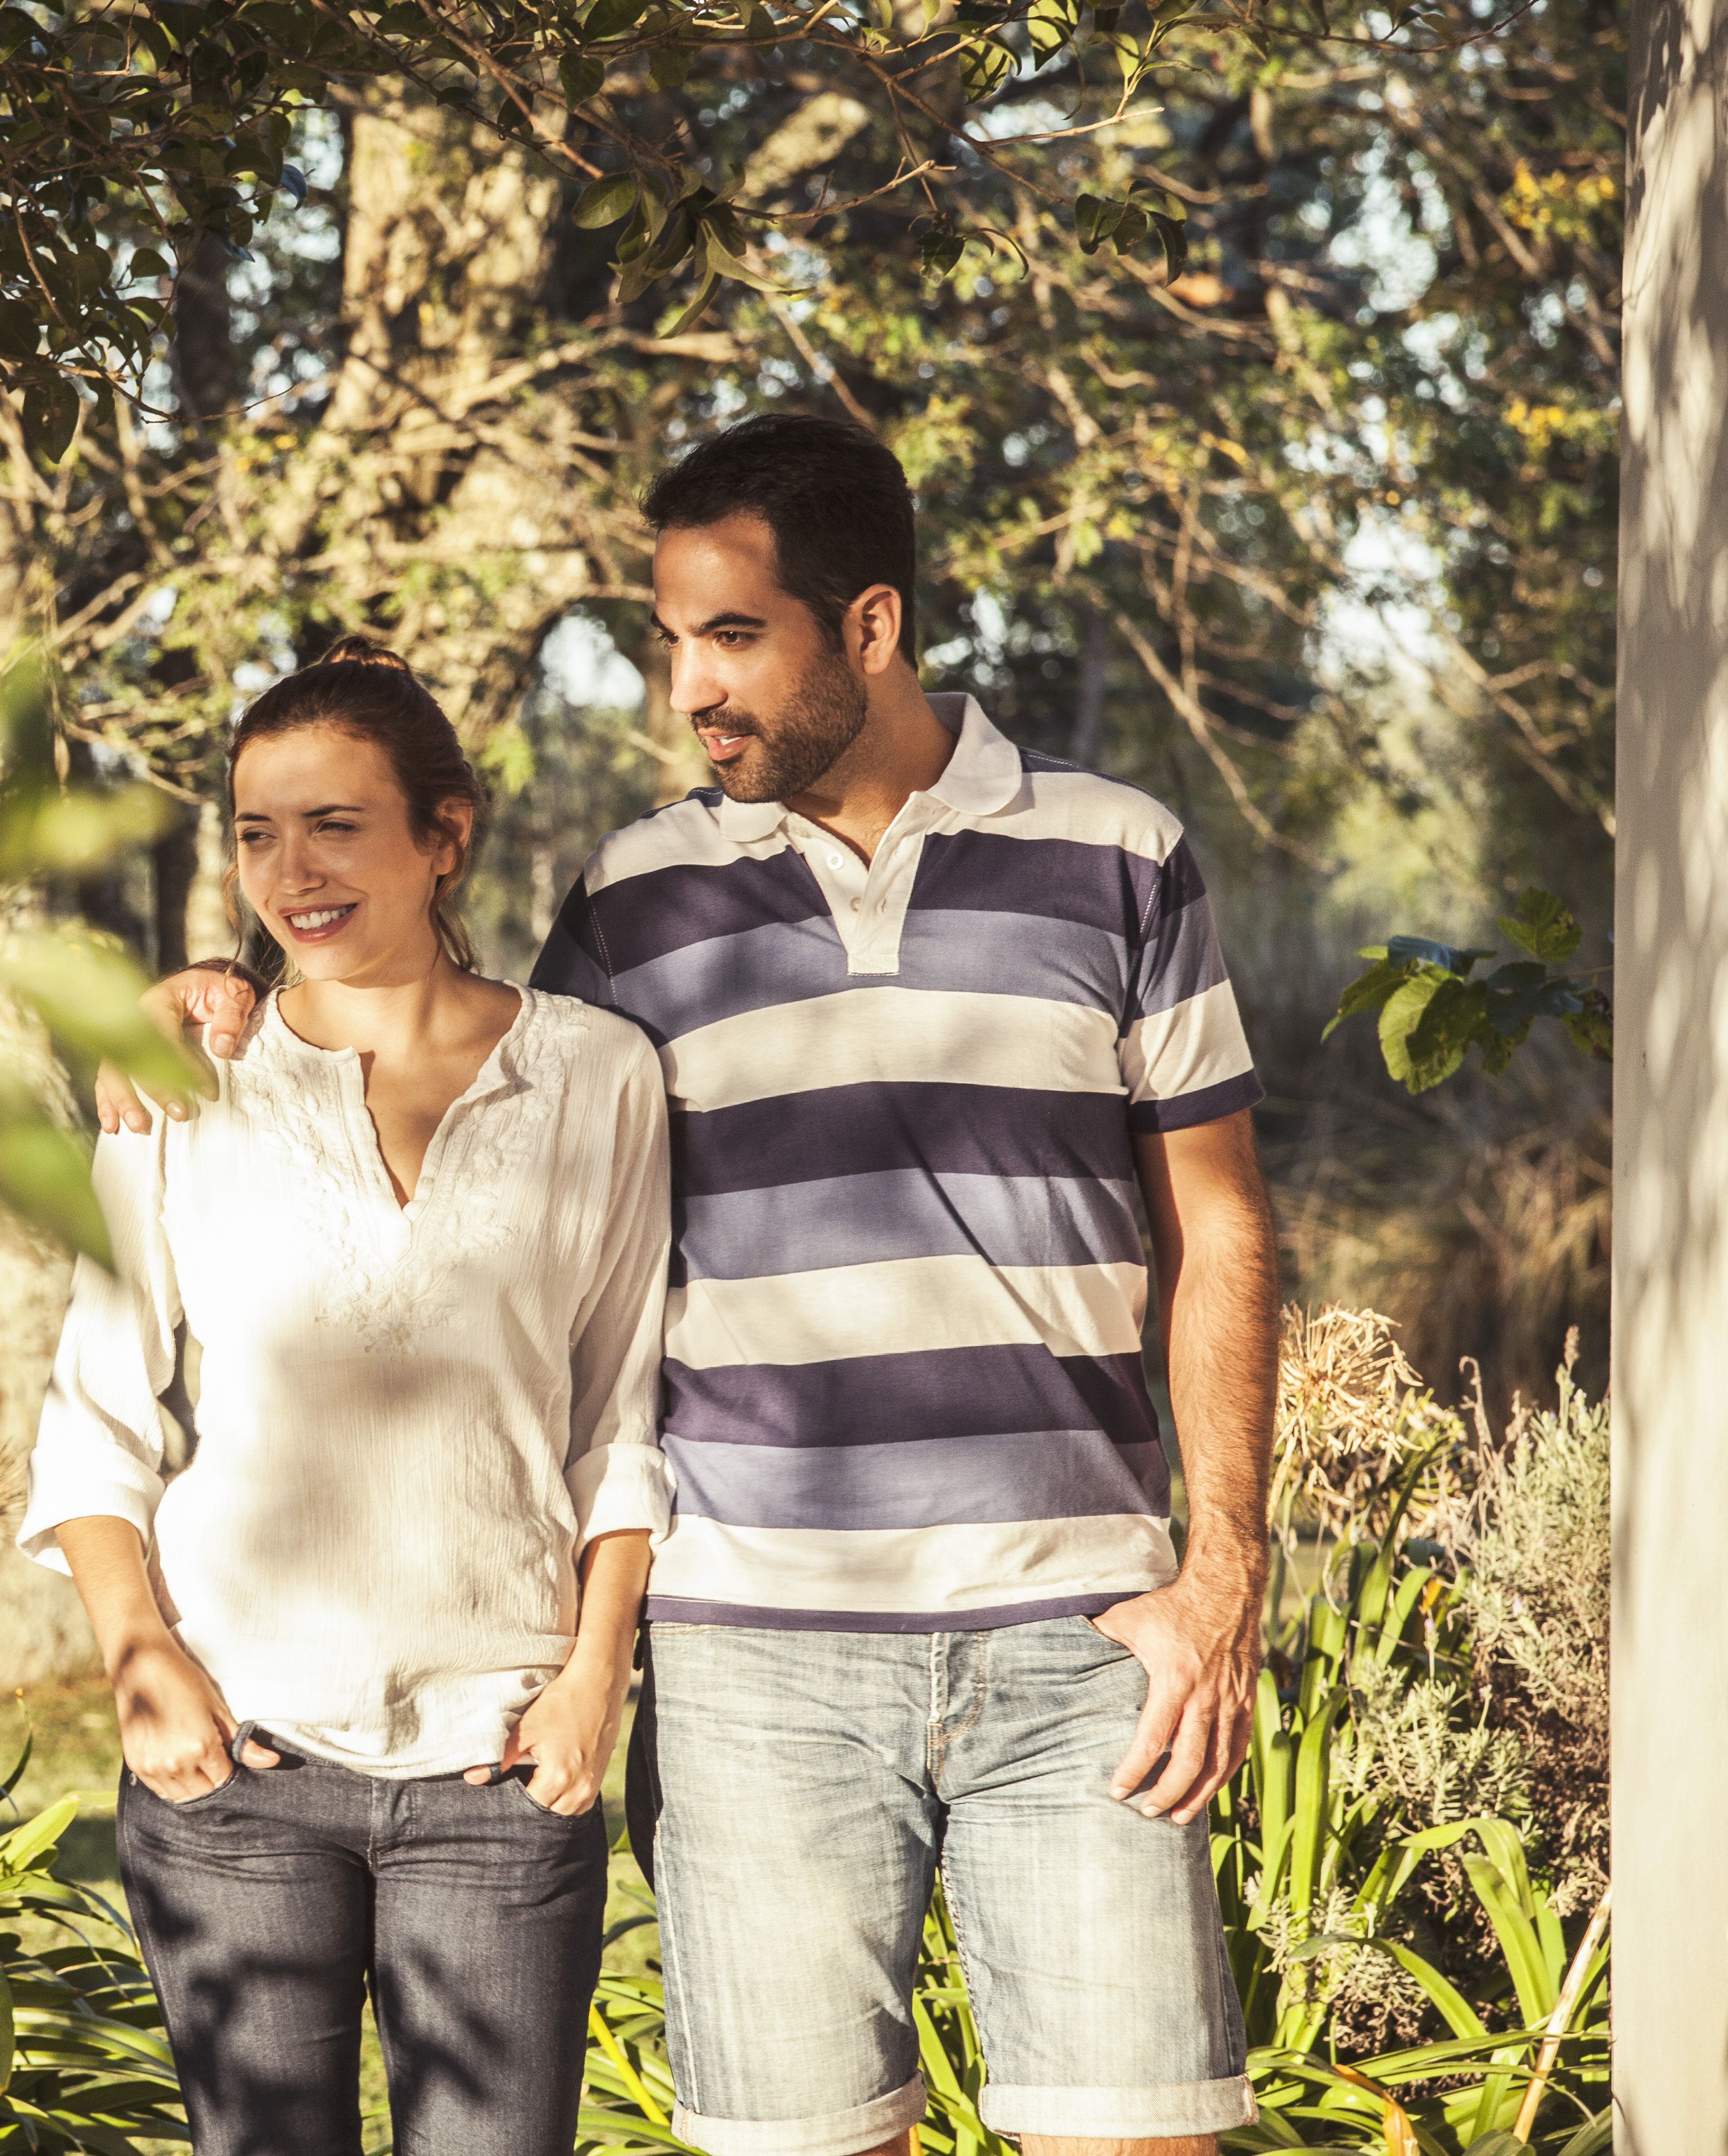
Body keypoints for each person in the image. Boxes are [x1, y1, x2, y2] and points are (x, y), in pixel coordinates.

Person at [99, 414, 1281, 2156]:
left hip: (1076, 1634)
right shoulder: (642, 897)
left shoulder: (1117, 851)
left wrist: (1225, 1569)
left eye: (732, 638)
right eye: (671, 642)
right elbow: (458, 1048)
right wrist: (230, 988)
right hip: (752, 1656)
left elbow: (1225, 1232)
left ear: (867, 626)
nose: (688, 690)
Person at [20, 636, 672, 2156]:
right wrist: (137, 1653)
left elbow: (618, 1413)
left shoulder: (597, 1076)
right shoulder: (180, 1078)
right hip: (238, 1758)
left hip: (501, 1760)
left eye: (336, 825)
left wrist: (594, 1680)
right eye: (255, 831)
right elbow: (96, 1405)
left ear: (443, 835)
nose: (289, 872)